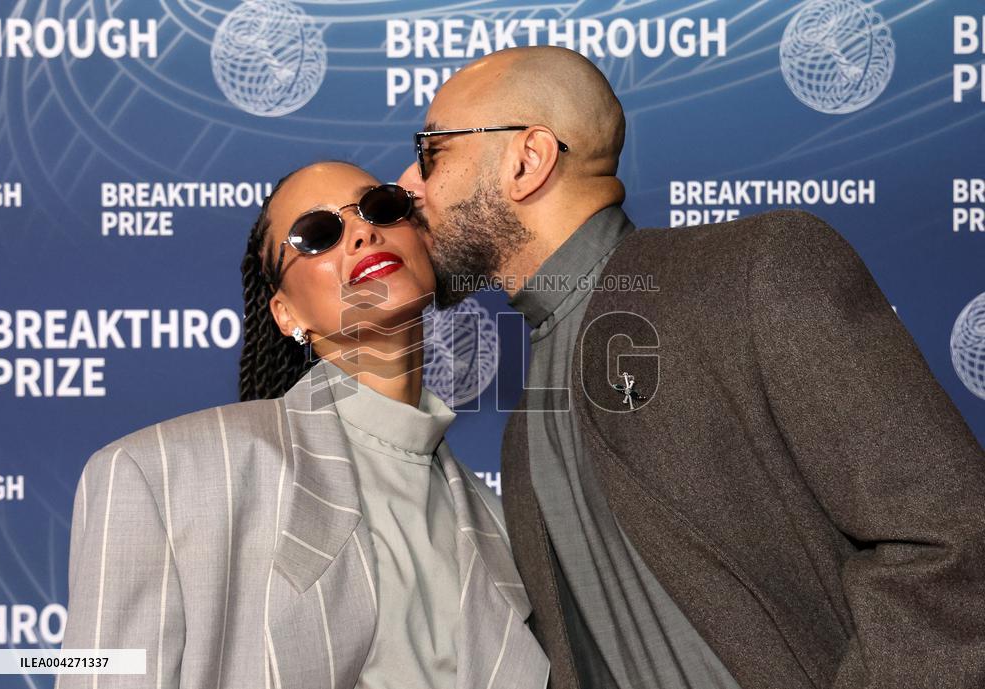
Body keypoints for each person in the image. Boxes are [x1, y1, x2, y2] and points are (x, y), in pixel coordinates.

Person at [396, 46, 985, 689]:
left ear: (527, 159)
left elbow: (951, 543)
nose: (408, 184)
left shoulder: (752, 272)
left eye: (432, 152)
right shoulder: (526, 422)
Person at [56, 161, 549, 689]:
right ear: (286, 313)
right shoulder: (160, 475)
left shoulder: (505, 526)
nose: (361, 232)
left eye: (380, 207)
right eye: (317, 234)